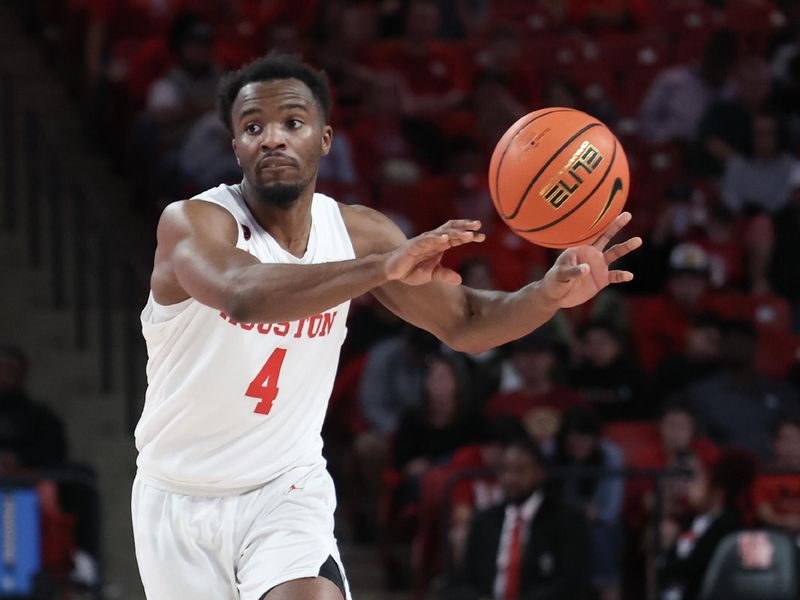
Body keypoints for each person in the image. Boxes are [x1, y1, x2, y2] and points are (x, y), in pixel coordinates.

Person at [131, 53, 641, 600]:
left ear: (325, 139)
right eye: (253, 127)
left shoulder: (358, 232)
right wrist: (380, 269)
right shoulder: (193, 222)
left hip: (284, 489)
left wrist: (547, 295)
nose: (272, 138)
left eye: (293, 123)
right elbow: (243, 295)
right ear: (235, 147)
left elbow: (465, 321)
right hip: (178, 498)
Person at [443, 438, 591, 600]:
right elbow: (460, 582)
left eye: (519, 471)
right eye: (504, 471)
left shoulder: (565, 519)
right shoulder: (484, 521)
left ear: (539, 473)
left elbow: (571, 583)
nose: (509, 479)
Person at [659, 449, 758, 600]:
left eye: (699, 481)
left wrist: (670, 569)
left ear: (718, 491)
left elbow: (698, 568)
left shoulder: (728, 525)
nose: (690, 487)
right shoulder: (693, 520)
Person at [553, 407, 624, 600]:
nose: (578, 445)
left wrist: (591, 513)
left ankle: (609, 590)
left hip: (601, 525)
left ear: (595, 439)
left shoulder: (610, 456)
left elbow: (610, 510)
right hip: (560, 523)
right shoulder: (553, 453)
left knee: (596, 535)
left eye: (584, 439)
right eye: (572, 440)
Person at [752, 416, 800, 536]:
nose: (792, 447)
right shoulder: (765, 476)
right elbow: (764, 513)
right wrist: (787, 522)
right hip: (775, 536)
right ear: (775, 444)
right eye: (786, 440)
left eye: (797, 440)